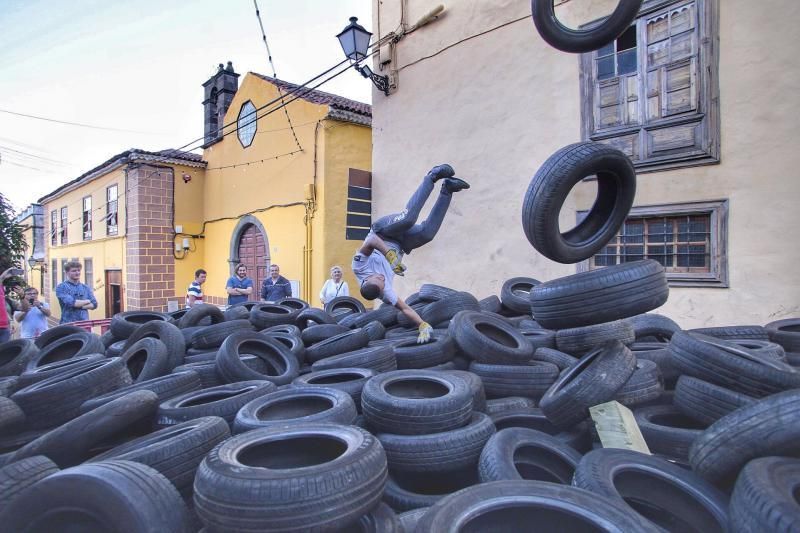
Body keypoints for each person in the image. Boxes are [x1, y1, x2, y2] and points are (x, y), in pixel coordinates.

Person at [352, 164, 469, 343]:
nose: (383, 279)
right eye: (383, 282)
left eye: (379, 278)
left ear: (367, 279)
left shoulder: (359, 267)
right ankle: (448, 189)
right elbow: (405, 309)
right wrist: (422, 325)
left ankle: (432, 175)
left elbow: (371, 242)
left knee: (407, 219)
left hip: (384, 231)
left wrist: (390, 257)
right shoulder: (386, 292)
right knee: (427, 234)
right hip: (402, 243)